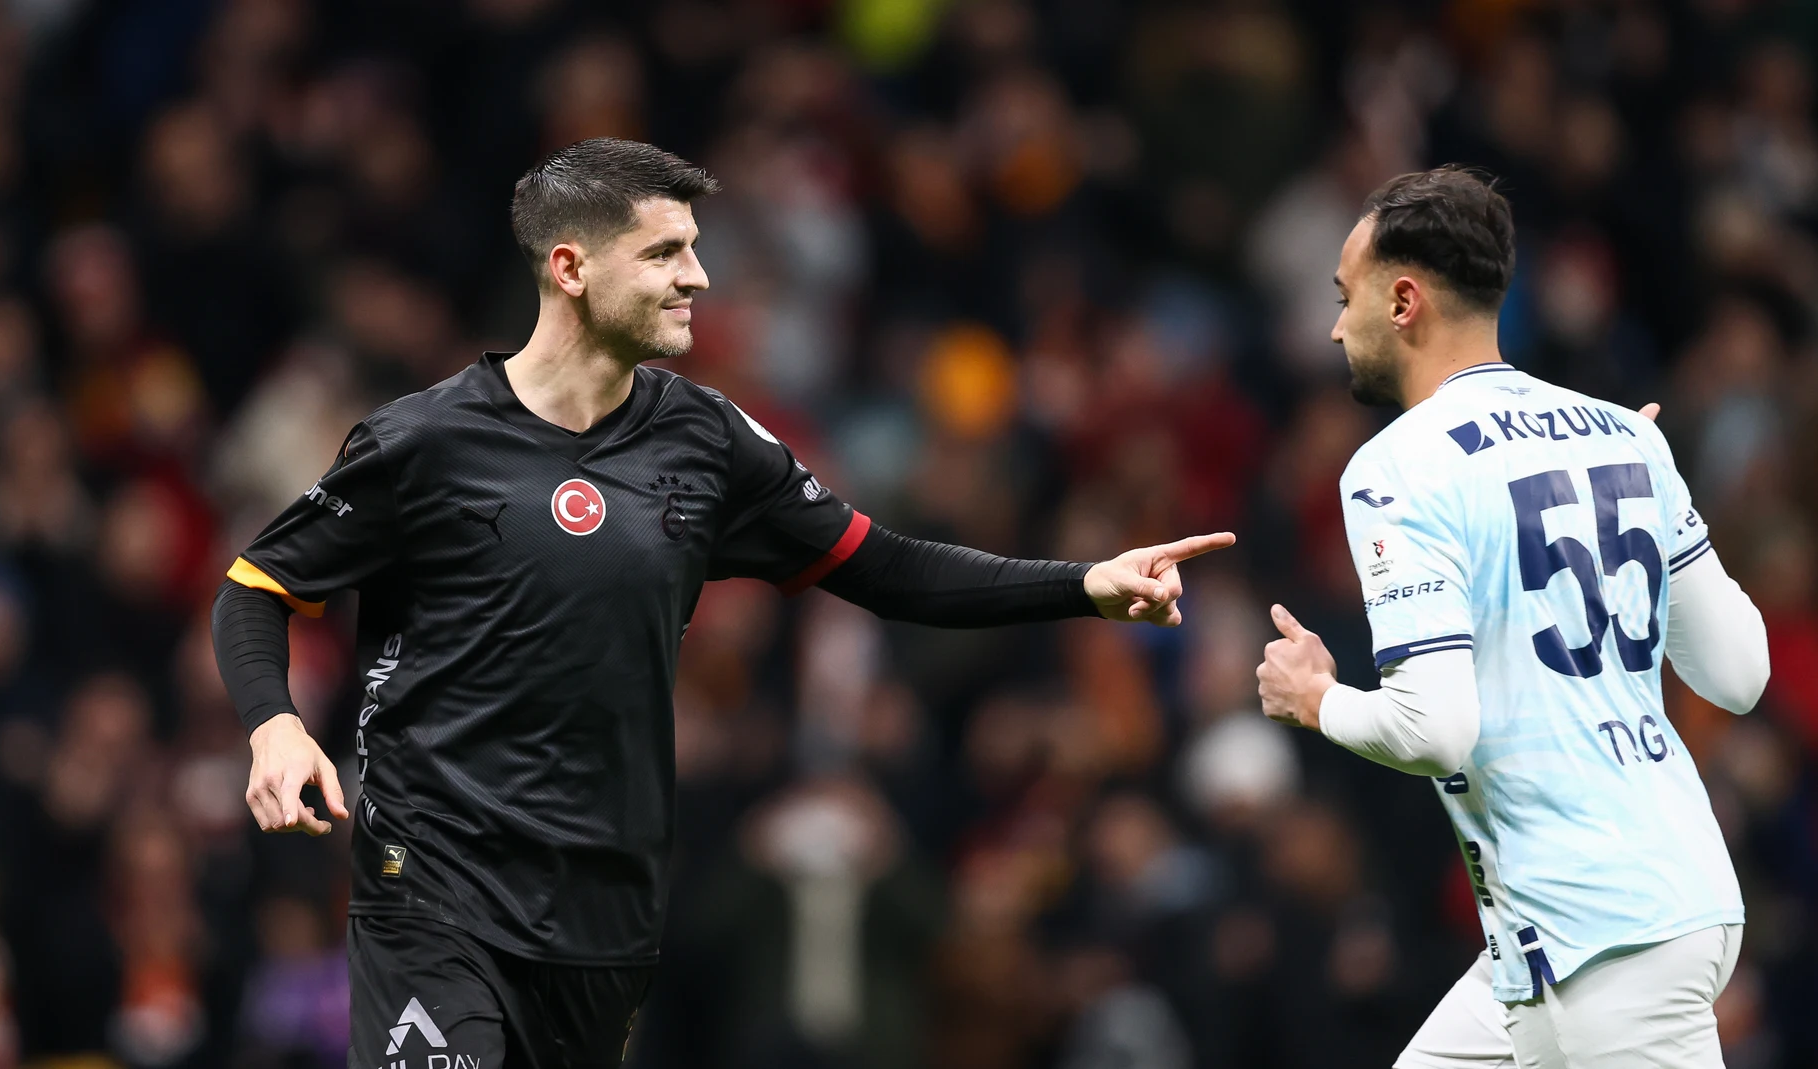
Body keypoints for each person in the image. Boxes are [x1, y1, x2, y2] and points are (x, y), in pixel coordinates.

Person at [210, 138, 1234, 1069]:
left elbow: (887, 568)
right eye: (663, 254)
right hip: (430, 884)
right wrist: (274, 725)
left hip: (603, 908)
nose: (697, 277)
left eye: (693, 249)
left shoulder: (707, 444)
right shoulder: (421, 443)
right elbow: (256, 589)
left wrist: (1083, 586)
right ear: (570, 268)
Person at [1254, 166, 1770, 1068]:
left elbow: (1435, 729)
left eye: (1346, 297)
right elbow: (1739, 671)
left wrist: (1317, 698)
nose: (1337, 324)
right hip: (1638, 906)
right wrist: (1655, 502)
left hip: (1598, 940)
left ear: (1404, 299)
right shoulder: (1626, 434)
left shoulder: (1396, 466)